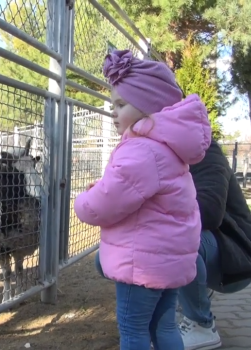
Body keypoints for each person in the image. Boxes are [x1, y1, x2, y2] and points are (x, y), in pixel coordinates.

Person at [73, 49, 212, 350]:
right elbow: (138, 191)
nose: (113, 112)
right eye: (113, 104)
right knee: (164, 327)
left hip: (141, 265)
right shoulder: (167, 147)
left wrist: (82, 201)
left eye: (121, 104)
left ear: (149, 107)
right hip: (166, 261)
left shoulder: (141, 149)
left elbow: (107, 202)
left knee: (133, 330)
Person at [176, 137, 251, 350]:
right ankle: (176, 312)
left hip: (236, 255)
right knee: (111, 257)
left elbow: (209, 212)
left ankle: (201, 324)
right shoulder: (152, 150)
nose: (114, 113)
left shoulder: (203, 150)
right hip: (212, 246)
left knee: (173, 242)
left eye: (123, 106)